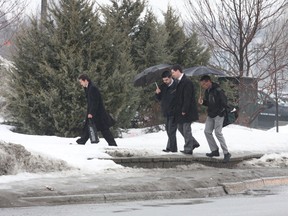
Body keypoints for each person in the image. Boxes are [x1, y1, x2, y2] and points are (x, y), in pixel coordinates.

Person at [76, 74, 117, 146]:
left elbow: (95, 102)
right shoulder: (88, 88)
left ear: (85, 80)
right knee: (89, 126)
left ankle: (112, 143)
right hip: (95, 112)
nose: (81, 84)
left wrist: (91, 113)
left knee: (104, 129)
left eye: (81, 82)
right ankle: (82, 141)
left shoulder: (92, 88)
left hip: (98, 113)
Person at [198, 75, 231, 163]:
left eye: (204, 84)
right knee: (207, 131)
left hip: (219, 114)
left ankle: (226, 153)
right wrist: (203, 102)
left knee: (218, 133)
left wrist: (221, 112)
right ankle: (214, 150)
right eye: (202, 85)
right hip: (211, 114)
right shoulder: (207, 91)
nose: (203, 86)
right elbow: (209, 103)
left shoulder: (218, 90)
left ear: (208, 81)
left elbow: (224, 102)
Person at [171, 64, 200, 155]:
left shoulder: (187, 82)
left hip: (187, 110)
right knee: (180, 128)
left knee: (186, 128)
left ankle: (188, 148)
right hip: (180, 110)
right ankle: (193, 143)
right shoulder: (178, 82)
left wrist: (184, 110)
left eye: (173, 72)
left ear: (178, 71)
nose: (172, 74)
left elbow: (187, 97)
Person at [155, 70, 178, 153]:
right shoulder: (162, 86)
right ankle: (170, 147)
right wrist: (157, 93)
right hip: (166, 111)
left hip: (174, 111)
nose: (165, 82)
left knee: (171, 130)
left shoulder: (176, 85)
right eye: (164, 80)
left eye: (166, 80)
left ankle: (173, 149)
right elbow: (159, 99)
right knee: (168, 130)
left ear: (170, 78)